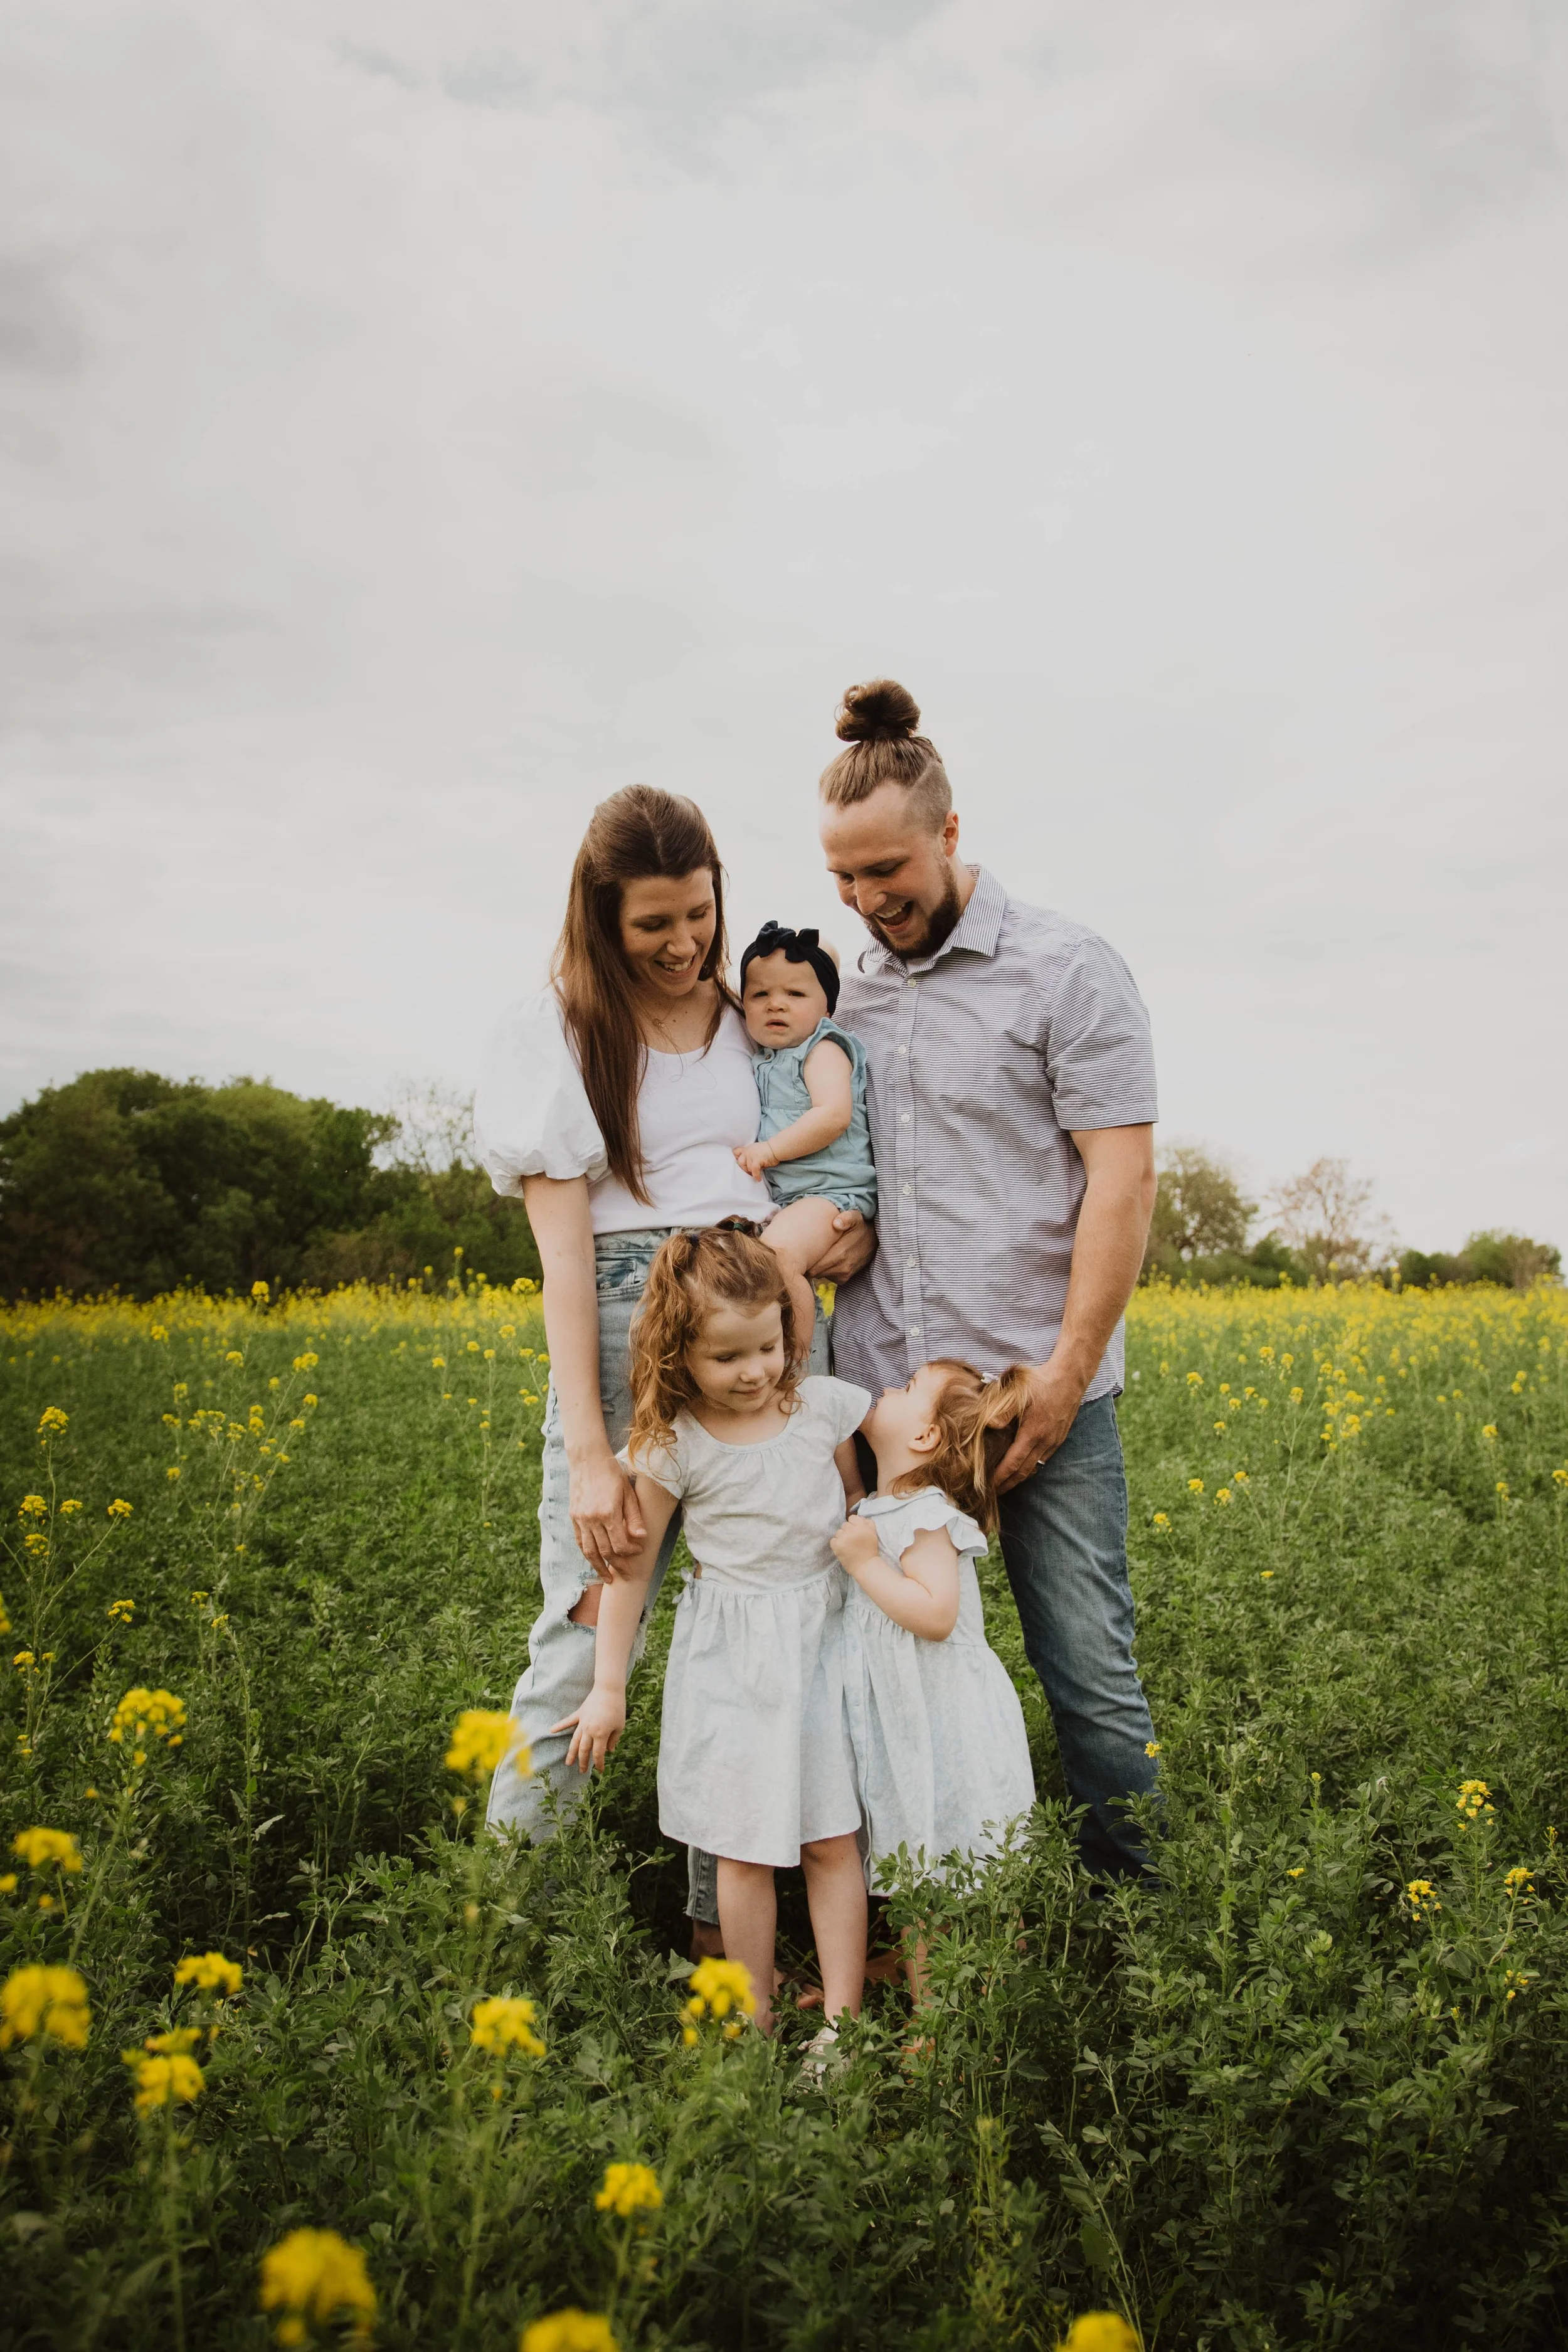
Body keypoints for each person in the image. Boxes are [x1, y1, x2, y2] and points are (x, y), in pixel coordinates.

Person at [474, 786, 869, 1939]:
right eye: (654, 924)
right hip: (621, 1319)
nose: (685, 943)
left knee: (771, 1614)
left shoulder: (755, 1011)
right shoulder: (554, 1025)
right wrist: (593, 1455)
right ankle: (503, 1940)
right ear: (602, 916)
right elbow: (558, 1260)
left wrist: (828, 1234)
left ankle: (728, 1943)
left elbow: (828, 1145)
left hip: (762, 1308)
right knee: (591, 1627)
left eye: (698, 914)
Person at [819, 678, 1162, 1880]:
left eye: (888, 873)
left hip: (1033, 1395)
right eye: (844, 882)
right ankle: (884, 1940)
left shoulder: (1068, 969)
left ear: (951, 836)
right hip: (883, 1402)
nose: (868, 903)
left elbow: (1122, 1187)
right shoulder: (835, 994)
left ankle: (1148, 1951)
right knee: (865, 1675)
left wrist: (1066, 1379)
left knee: (1090, 1683)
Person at [556, 1227, 870, 2060]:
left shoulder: (826, 1409)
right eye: (728, 1357)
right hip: (732, 1659)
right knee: (742, 1844)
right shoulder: (672, 1445)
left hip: (821, 1646)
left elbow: (859, 1510)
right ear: (679, 1353)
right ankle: (753, 2017)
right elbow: (629, 1571)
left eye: (769, 1345)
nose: (758, 1370)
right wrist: (608, 1684)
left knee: (833, 1837)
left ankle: (843, 2022)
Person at [830, 1359, 1037, 1944]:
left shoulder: (925, 1516)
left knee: (964, 1849)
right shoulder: (879, 1508)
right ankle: (934, 2010)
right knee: (914, 1855)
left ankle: (994, 1988)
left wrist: (866, 1564)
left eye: (907, 1388)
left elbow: (938, 1615)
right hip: (905, 1716)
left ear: (924, 1437)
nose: (887, 1387)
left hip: (946, 1719)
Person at [731, 918, 877, 1348]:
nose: (776, 1004)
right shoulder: (766, 1058)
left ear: (827, 1008)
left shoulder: (823, 1049)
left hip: (832, 1193)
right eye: (760, 994)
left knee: (777, 1259)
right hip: (800, 1198)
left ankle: (795, 1361)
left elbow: (833, 1115)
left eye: (795, 994)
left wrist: (770, 1151)